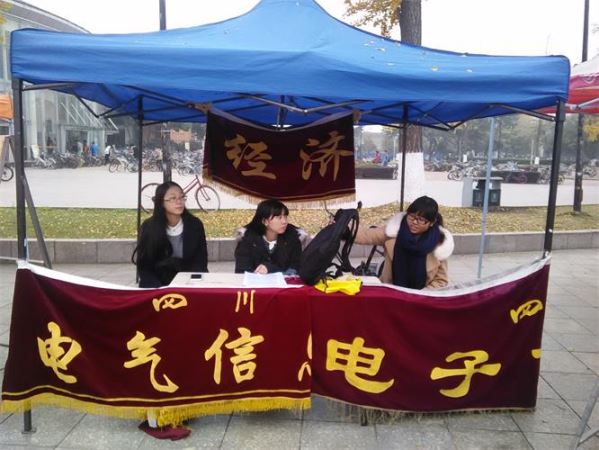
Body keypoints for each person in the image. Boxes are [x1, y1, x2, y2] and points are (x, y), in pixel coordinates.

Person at [355, 195, 454, 289]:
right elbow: (366, 235)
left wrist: (421, 295)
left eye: (421, 220)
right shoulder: (395, 230)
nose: (414, 222)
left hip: (422, 296)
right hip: (392, 293)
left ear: (432, 222)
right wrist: (347, 226)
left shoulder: (439, 243)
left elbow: (441, 280)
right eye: (411, 216)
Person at [133, 181, 208, 288]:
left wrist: (188, 286)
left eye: (182, 197)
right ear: (161, 202)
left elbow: (200, 262)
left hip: (187, 283)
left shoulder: (195, 225)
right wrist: (159, 290)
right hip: (157, 285)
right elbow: (144, 266)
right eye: (173, 198)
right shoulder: (149, 226)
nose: (179, 202)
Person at [235, 199, 302, 275]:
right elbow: (241, 271)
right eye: (279, 217)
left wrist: (271, 269)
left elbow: (296, 268)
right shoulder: (247, 239)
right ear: (265, 221)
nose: (284, 222)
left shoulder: (293, 237)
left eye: (285, 217)